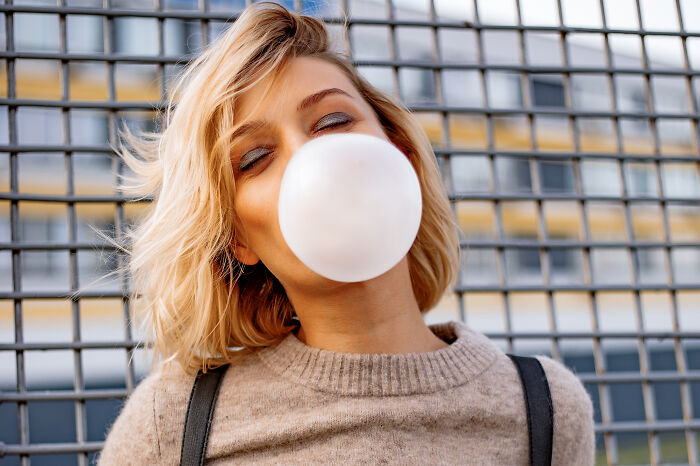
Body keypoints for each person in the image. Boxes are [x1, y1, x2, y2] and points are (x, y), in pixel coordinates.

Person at [97, 1, 595, 464]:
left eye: (332, 121)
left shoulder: (546, 411)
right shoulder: (171, 424)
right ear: (238, 239)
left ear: (401, 157)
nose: (309, 161)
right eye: (255, 158)